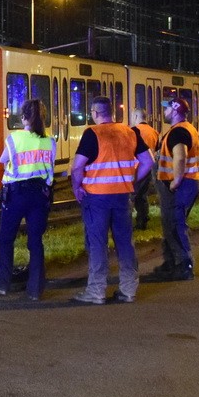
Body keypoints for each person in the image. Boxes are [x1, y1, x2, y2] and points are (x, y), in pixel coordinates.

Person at [70, 96, 153, 304]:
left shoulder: (93, 133)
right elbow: (148, 161)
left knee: (97, 243)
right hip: (122, 197)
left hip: (96, 197)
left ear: (95, 113)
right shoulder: (130, 132)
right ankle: (128, 289)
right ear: (112, 112)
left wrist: (77, 187)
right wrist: (131, 180)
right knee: (125, 243)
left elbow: (78, 166)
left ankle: (96, 291)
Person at [0, 99, 56, 300]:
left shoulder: (15, 139)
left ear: (24, 118)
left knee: (6, 238)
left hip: (16, 195)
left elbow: (2, 159)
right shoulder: (49, 140)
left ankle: (2, 282)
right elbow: (50, 166)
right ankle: (35, 290)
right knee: (35, 242)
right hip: (40, 195)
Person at [150, 97, 199, 281]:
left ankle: (184, 266)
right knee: (173, 224)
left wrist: (175, 181)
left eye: (167, 108)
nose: (164, 111)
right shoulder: (185, 129)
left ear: (176, 111)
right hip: (189, 183)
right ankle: (172, 262)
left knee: (176, 225)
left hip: (183, 185)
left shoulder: (178, 132)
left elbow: (180, 157)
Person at [130, 108, 160, 230]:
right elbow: (156, 149)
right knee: (142, 195)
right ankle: (143, 218)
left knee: (134, 195)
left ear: (136, 117)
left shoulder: (134, 131)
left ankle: (139, 221)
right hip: (149, 168)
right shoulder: (154, 132)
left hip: (137, 167)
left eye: (133, 117)